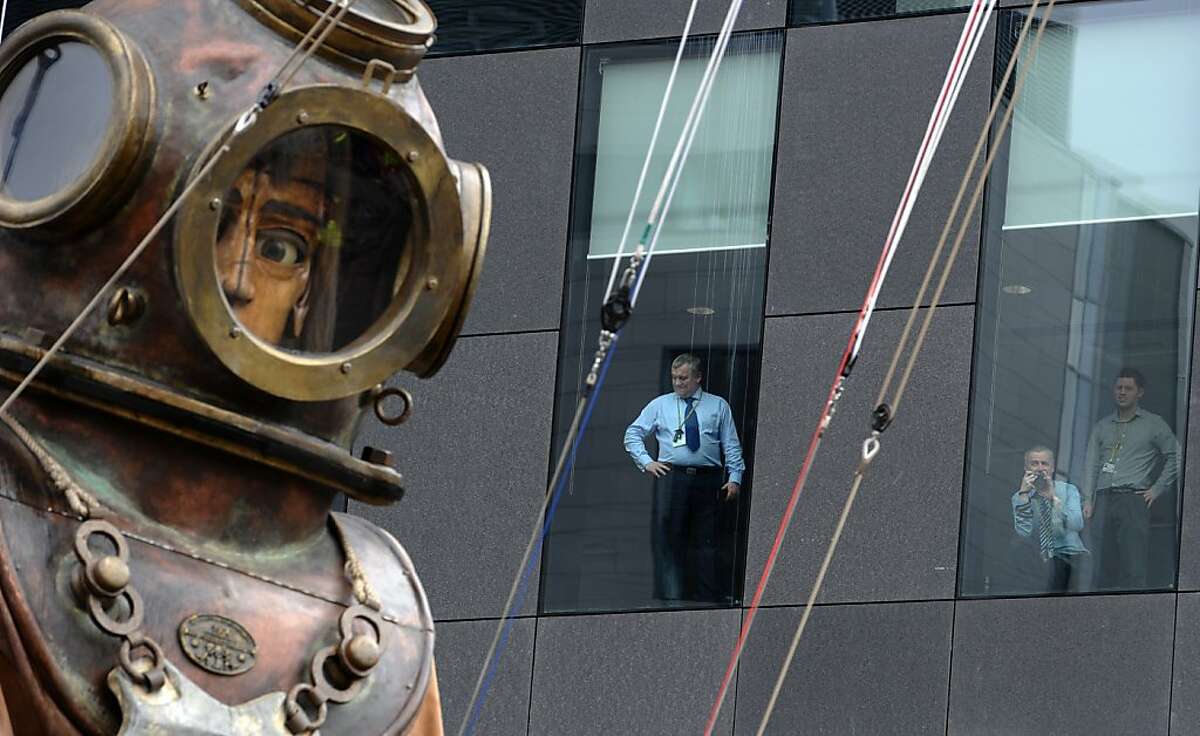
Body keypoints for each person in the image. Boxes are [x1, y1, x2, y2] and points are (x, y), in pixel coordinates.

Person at [623, 353, 746, 603]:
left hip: (708, 479)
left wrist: (735, 477)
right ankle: (672, 596)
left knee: (707, 541)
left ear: (698, 378)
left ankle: (707, 597)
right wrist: (647, 462)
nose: (678, 383)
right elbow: (632, 434)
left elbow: (731, 444)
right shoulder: (660, 405)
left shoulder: (718, 405)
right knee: (671, 538)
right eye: (674, 378)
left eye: (683, 378)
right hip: (673, 477)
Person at [1080, 367, 1179, 589]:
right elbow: (1090, 465)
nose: (1122, 392)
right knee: (1101, 566)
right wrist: (1088, 499)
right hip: (1103, 500)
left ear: (1140, 392)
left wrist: (1157, 488)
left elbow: (1177, 456)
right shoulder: (1102, 426)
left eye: (1128, 388)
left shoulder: (1154, 423)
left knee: (1133, 565)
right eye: (1118, 388)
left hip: (1133, 500)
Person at [1009, 446, 1086, 593]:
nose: (1040, 468)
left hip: (1068, 556)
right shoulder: (1019, 497)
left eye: (1044, 464)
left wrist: (1053, 500)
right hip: (1037, 562)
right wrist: (1024, 495)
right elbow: (1024, 532)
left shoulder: (1069, 490)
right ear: (1026, 468)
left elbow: (1076, 524)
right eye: (1034, 463)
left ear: (1052, 468)